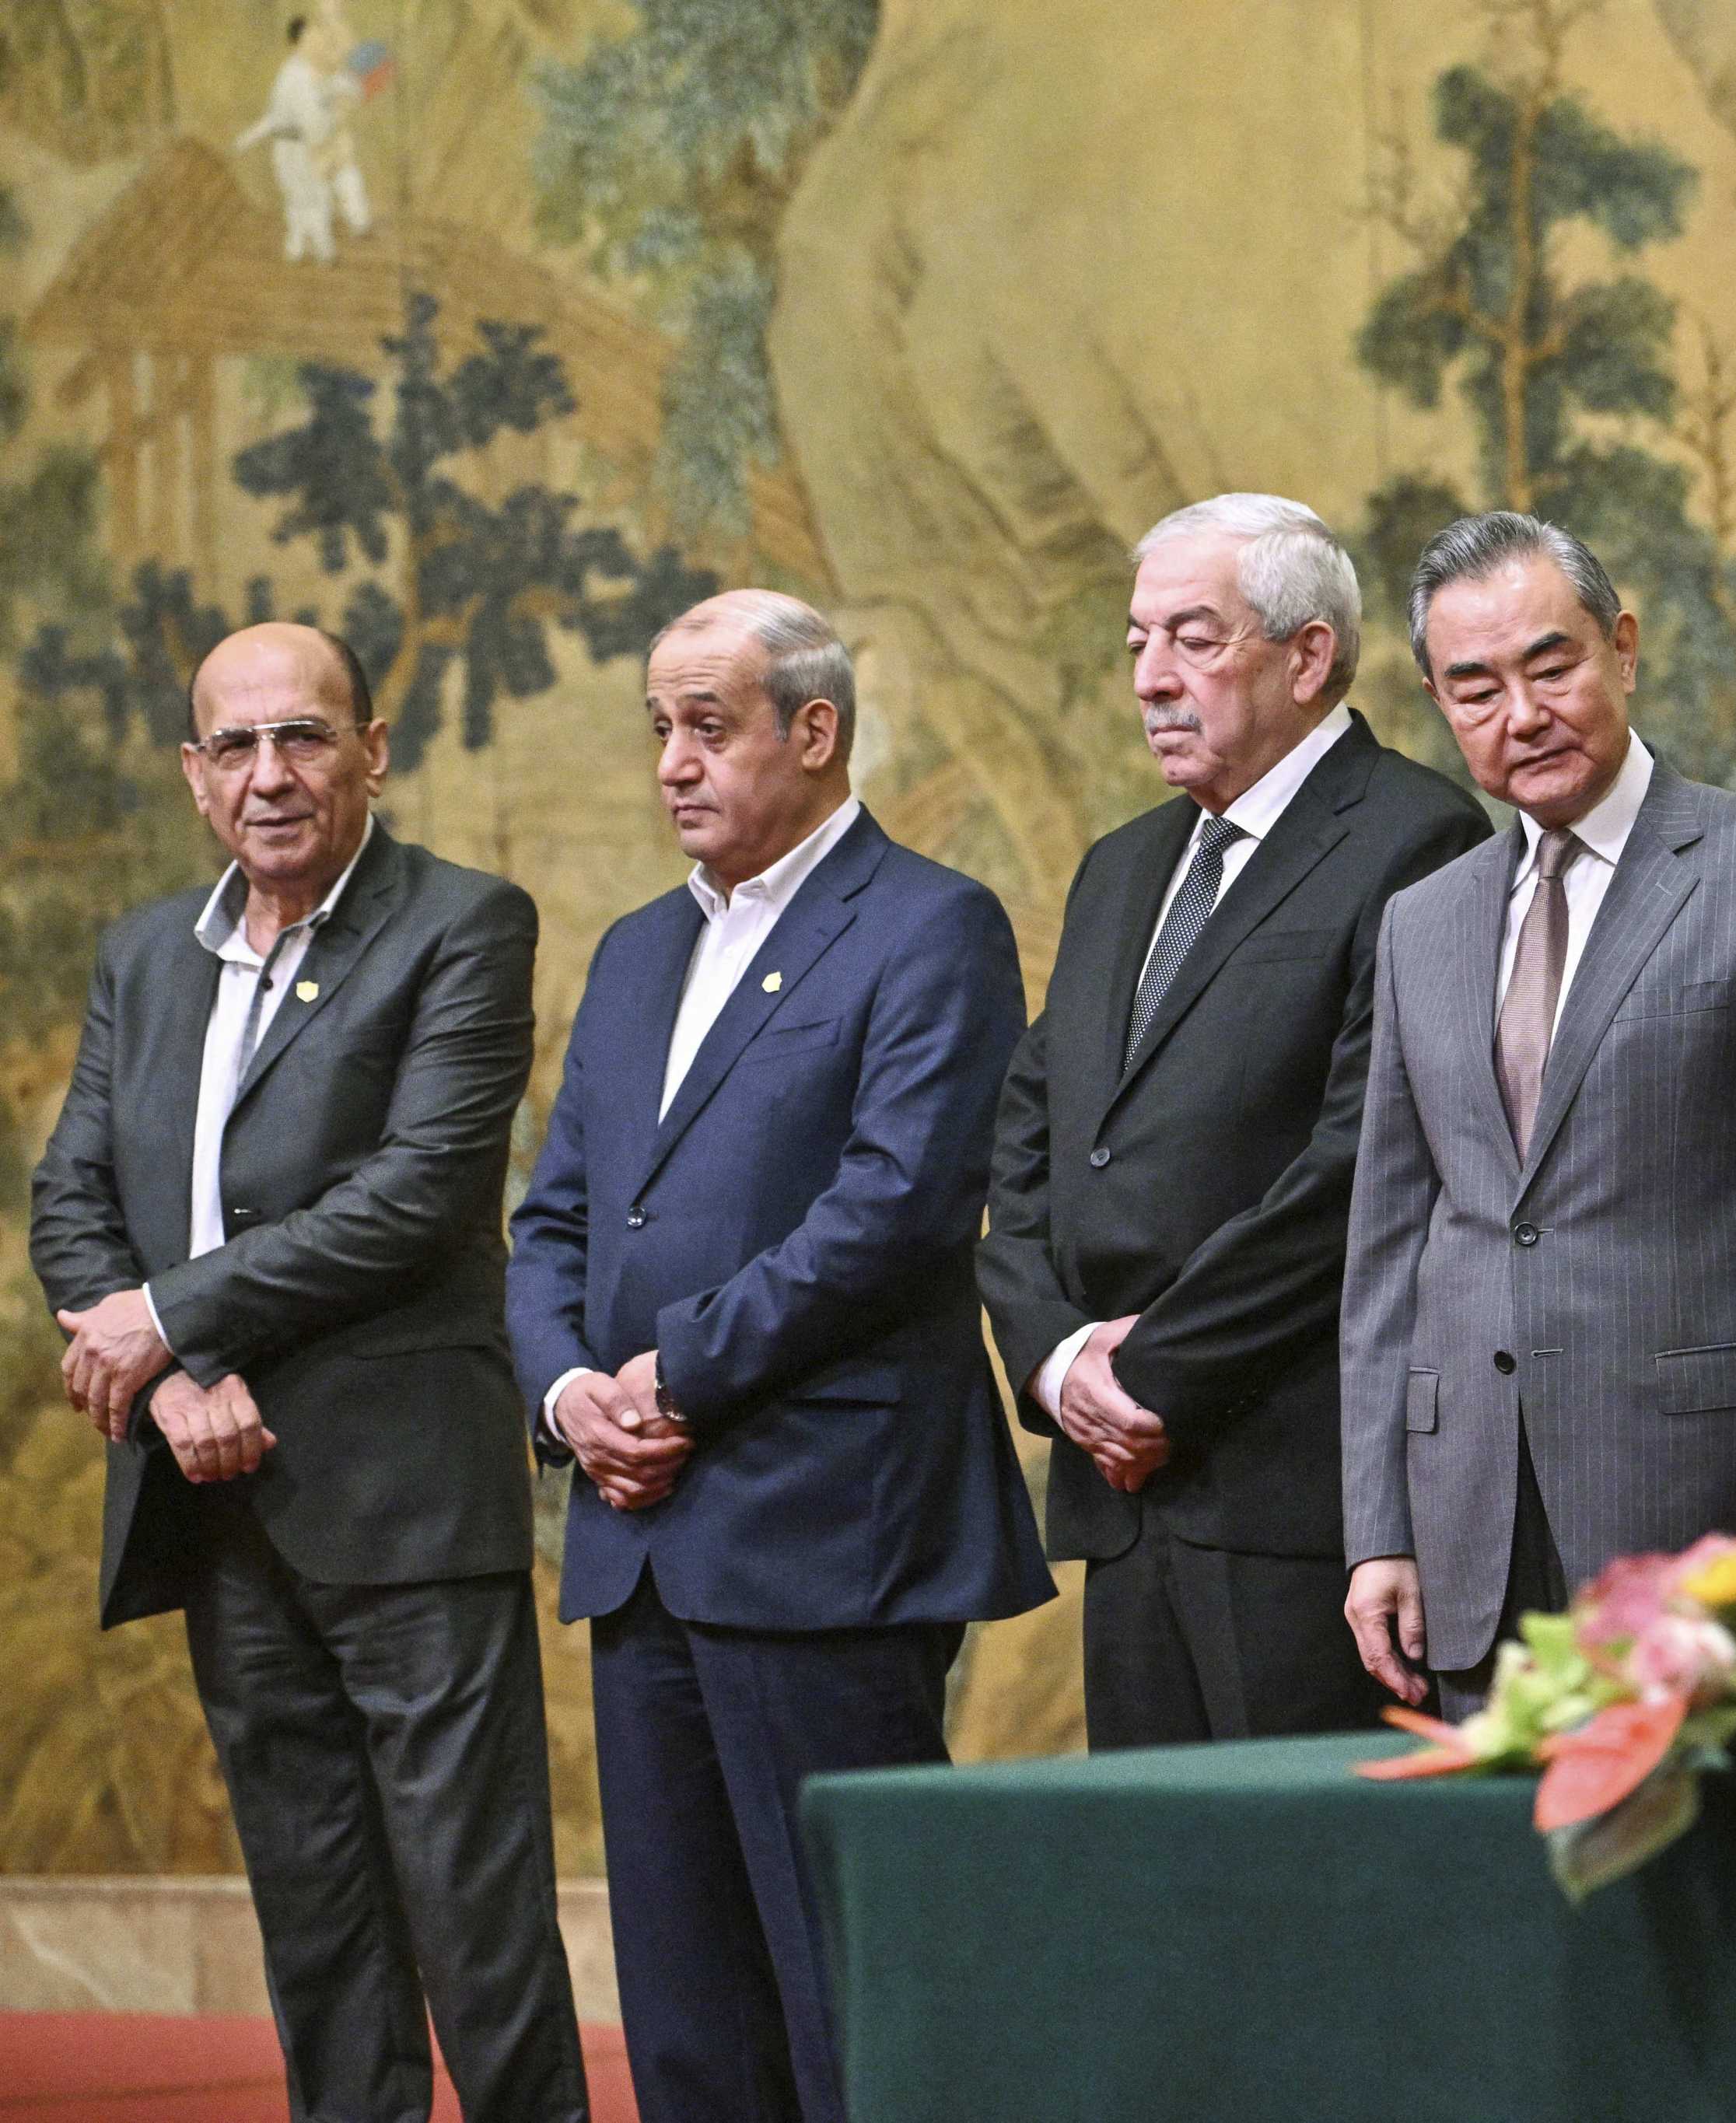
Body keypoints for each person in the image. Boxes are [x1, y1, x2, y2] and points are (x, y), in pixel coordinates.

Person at [30, 624, 586, 2122]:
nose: (270, 777)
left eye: (305, 738)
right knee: (318, 1924)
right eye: (236, 746)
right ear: (194, 775)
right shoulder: (148, 953)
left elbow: (416, 1197)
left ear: (372, 750)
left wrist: (172, 1321)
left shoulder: (466, 924)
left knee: (477, 1923)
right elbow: (70, 1202)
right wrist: (160, 1378)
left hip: (405, 1506)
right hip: (213, 1495)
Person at [508, 590, 1051, 2123]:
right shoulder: (631, 953)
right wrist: (566, 1391)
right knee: (687, 2012)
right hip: (640, 1534)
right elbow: (551, 1217)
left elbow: (896, 1211)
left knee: (847, 1998)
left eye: (708, 726)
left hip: (825, 1531)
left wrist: (666, 1380)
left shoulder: (930, 923)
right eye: (658, 731)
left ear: (814, 732)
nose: (672, 764)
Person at [981, 495, 1487, 1747]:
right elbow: (1033, 1134)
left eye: (1191, 639)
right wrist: (1055, 1362)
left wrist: (1148, 1377)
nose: (1151, 678)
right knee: (1160, 1908)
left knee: (1297, 1912)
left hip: (1292, 1494)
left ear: (1306, 655)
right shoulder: (1119, 866)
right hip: (1120, 1489)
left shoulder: (1416, 838)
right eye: (1137, 642)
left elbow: (1360, 1165)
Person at [1341, 512, 1736, 1714]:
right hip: (1463, 1514)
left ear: (1621, 648)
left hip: (1687, 1511)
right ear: (1435, 701)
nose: (1520, 714)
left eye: (1550, 665)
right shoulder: (1424, 919)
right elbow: (1384, 1247)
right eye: (1474, 688)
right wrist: (1377, 1525)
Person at [234, 14, 370, 265]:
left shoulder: (316, 69)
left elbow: (340, 86)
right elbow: (279, 116)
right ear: (297, 43)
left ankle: (322, 251)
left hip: (305, 145)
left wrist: (353, 91)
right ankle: (300, 248)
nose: (315, 42)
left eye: (315, 36)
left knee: (314, 196)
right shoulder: (292, 75)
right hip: (289, 146)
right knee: (299, 197)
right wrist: (248, 138)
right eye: (309, 38)